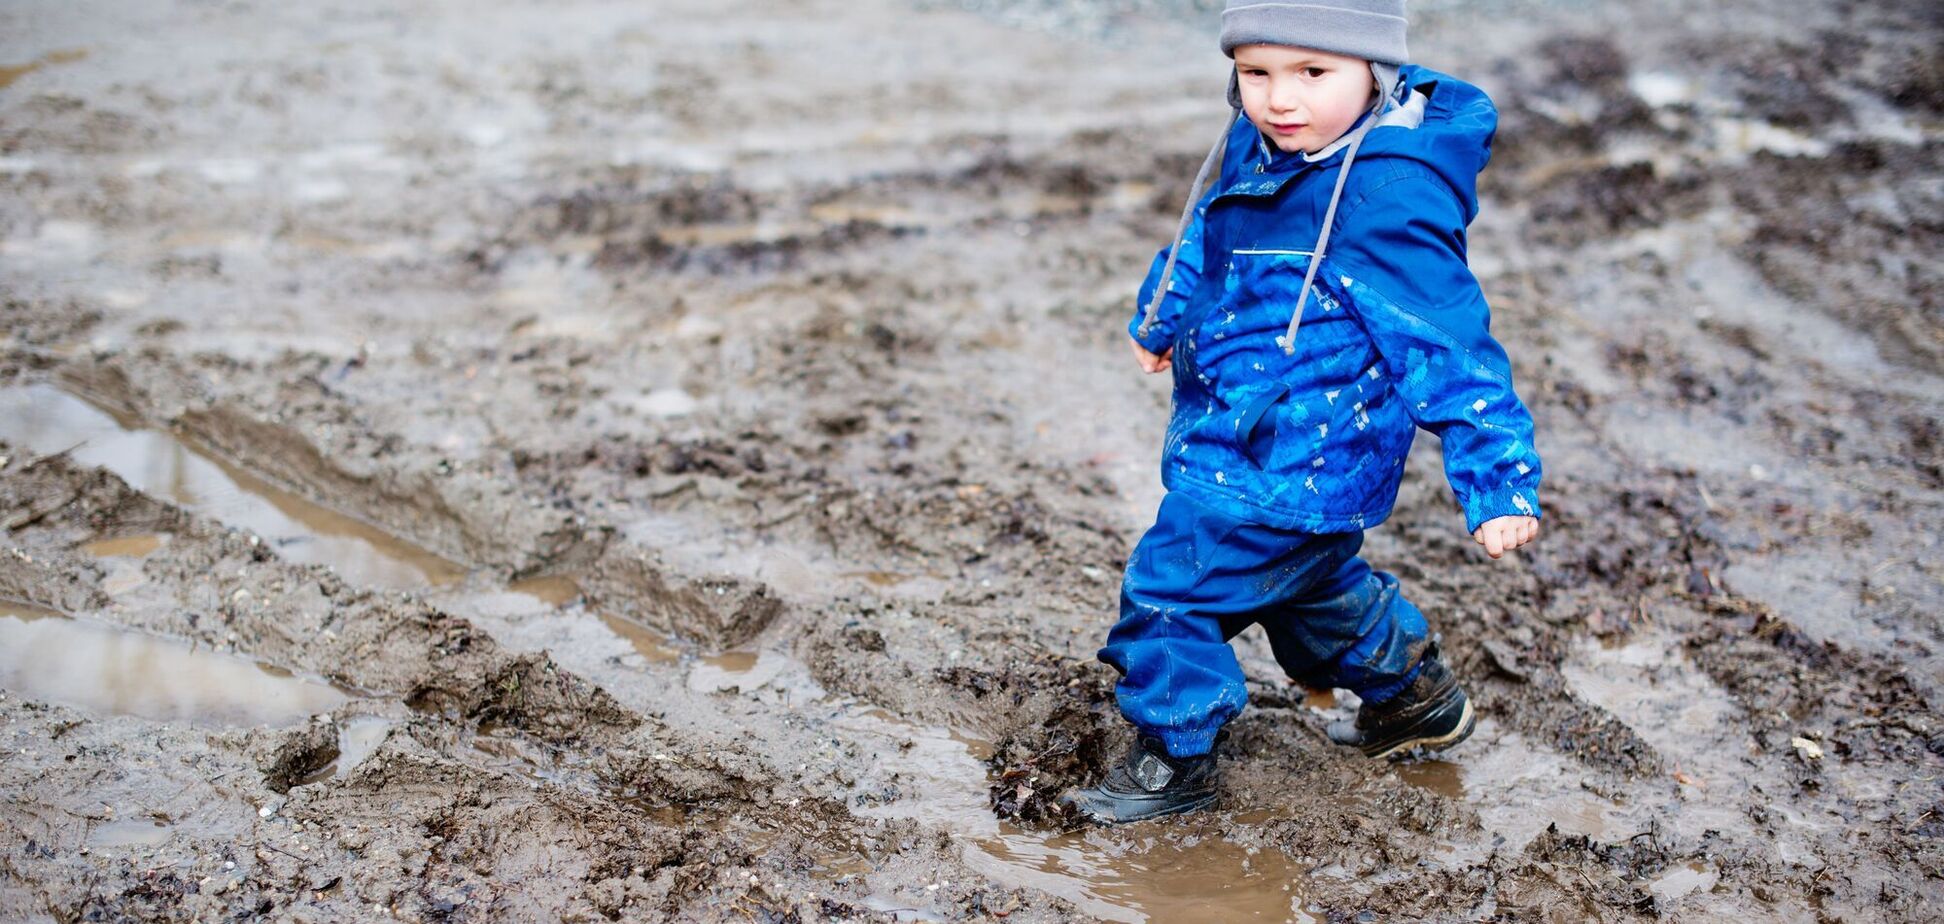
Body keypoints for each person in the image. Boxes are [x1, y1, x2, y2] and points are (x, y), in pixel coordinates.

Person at [1062, 0, 1544, 825]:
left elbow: (1448, 340)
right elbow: (1203, 235)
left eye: (1313, 73)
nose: (1281, 100)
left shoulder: (1388, 194)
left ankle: (1175, 757)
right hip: (1255, 429)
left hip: (1293, 451)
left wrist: (1498, 477)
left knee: (1172, 591)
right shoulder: (1265, 143)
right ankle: (1413, 695)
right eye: (1257, 73)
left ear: (1374, 72)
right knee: (1306, 585)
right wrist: (1162, 315)